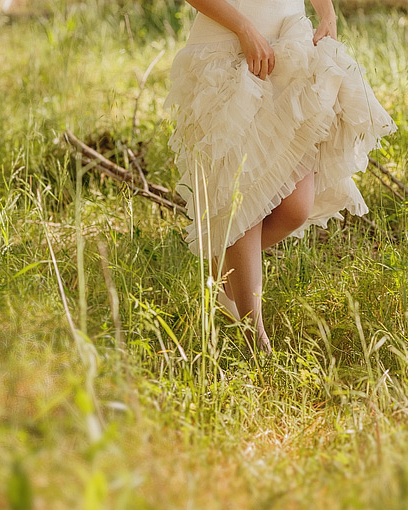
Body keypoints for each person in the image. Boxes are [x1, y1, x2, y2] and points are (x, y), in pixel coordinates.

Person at [165, 0, 395, 353]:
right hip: (226, 47)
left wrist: (328, 14)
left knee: (296, 207)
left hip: (290, 45)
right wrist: (243, 28)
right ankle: (255, 343)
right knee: (243, 199)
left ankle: (220, 266)